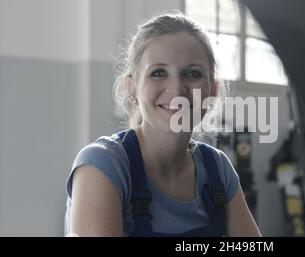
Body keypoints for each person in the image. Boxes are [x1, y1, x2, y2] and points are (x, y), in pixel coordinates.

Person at [64, 11, 261, 237]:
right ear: (131, 87)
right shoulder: (103, 166)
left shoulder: (217, 169)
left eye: (192, 73)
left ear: (213, 89)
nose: (176, 90)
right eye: (158, 73)